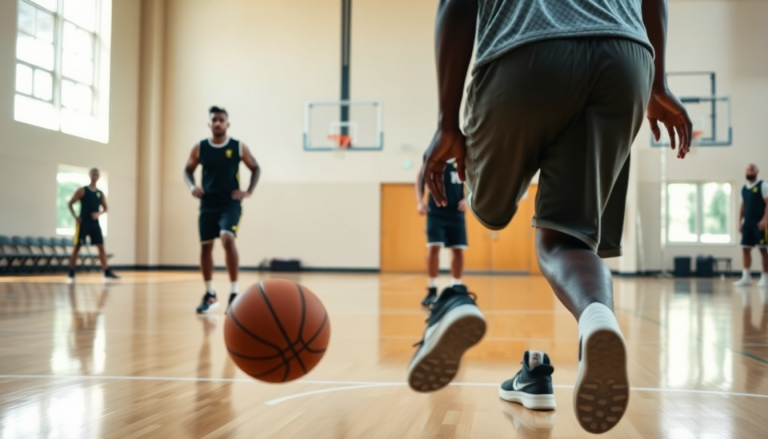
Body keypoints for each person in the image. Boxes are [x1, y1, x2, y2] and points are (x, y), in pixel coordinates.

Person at [407, 0, 692, 434]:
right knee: (567, 238)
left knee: (487, 208)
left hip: (525, 50)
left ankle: (455, 300)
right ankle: (597, 320)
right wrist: (657, 83)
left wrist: (447, 123)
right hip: (626, 57)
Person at [184, 106, 261, 314]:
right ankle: (210, 295)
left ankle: (234, 294)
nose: (217, 123)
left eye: (221, 120)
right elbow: (187, 170)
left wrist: (248, 191)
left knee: (227, 238)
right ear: (209, 124)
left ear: (228, 124)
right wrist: (192, 186)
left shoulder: (238, 147)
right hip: (208, 204)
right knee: (205, 248)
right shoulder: (199, 147)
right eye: (214, 120)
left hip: (230, 203)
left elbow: (255, 167)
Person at [415, 159, 468, 307]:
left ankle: (456, 287)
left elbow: (475, 179)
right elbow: (420, 177)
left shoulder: (462, 157)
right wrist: (420, 201)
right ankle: (432, 290)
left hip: (456, 212)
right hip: (436, 211)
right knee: (433, 247)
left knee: (458, 249)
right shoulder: (435, 155)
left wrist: (468, 199)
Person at [67, 168, 120, 282]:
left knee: (101, 247)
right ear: (90, 175)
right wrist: (75, 216)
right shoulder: (82, 191)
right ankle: (71, 271)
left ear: (98, 176)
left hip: (94, 224)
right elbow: (70, 203)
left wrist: (98, 214)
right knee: (77, 247)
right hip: (83, 223)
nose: (95, 175)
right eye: (93, 174)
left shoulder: (100, 193)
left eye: (97, 174)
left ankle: (106, 271)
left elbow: (105, 208)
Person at [734, 164, 768, 287]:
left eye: (751, 170)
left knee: (763, 249)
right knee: (745, 248)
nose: (749, 172)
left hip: (759, 223)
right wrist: (739, 222)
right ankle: (746, 277)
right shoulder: (743, 188)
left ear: (757, 171)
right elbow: (742, 206)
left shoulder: (763, 185)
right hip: (747, 223)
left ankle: (765, 277)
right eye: (747, 170)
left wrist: (765, 220)